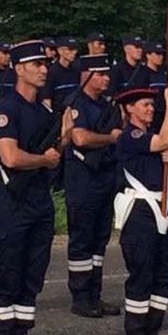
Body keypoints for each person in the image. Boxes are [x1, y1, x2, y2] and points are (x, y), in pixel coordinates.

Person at [0, 39, 73, 335]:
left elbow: (53, 153)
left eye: (44, 65)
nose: (43, 70)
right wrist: (44, 159)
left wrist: (63, 135)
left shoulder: (44, 111)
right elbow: (10, 157)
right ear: (19, 69)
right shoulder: (7, 108)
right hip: (13, 204)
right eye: (36, 65)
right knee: (8, 274)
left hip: (39, 203)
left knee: (32, 276)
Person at [114, 83, 168, 335]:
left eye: (154, 105)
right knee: (142, 274)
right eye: (145, 105)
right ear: (130, 108)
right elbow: (166, 140)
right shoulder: (130, 135)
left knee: (163, 275)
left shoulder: (154, 135)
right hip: (141, 211)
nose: (151, 108)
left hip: (165, 206)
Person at [65, 54, 121, 318]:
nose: (106, 78)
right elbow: (79, 137)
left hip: (104, 178)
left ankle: (94, 294)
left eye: (107, 74)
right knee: (82, 239)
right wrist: (109, 138)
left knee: (100, 240)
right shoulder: (77, 104)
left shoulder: (105, 105)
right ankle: (80, 295)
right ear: (86, 75)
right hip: (84, 179)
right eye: (100, 74)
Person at [40, 36, 80, 112]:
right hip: (58, 116)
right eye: (70, 49)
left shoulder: (76, 70)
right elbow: (47, 99)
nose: (74, 52)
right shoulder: (51, 72)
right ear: (60, 51)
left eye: (75, 49)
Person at [144, 42, 167, 131]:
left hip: (164, 114)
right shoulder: (142, 73)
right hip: (151, 115)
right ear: (148, 55)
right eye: (157, 54)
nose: (160, 56)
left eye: (162, 54)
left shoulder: (164, 74)